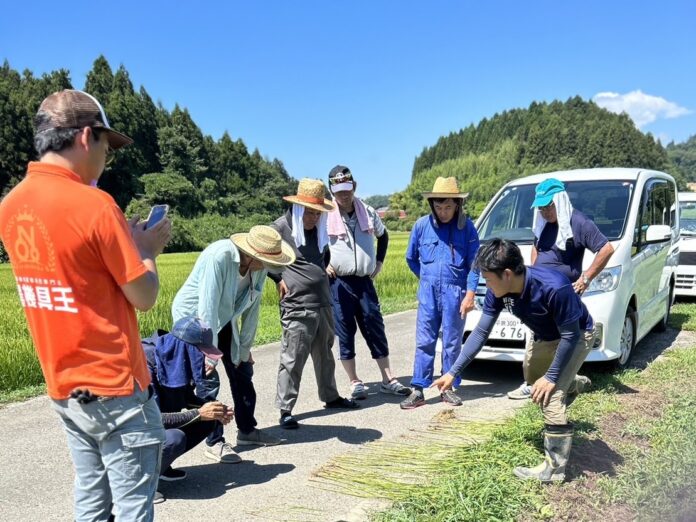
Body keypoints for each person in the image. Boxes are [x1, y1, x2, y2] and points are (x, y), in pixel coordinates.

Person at [0, 89, 171, 521]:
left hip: (65, 386)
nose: (106, 157)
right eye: (106, 146)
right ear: (84, 138)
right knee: (133, 508)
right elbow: (144, 296)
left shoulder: (11, 206)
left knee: (91, 501)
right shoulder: (95, 205)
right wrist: (146, 248)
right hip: (115, 386)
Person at [432, 239, 596, 482]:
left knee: (548, 395)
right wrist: (453, 372)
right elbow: (480, 333)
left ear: (507, 274)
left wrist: (552, 378)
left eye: (487, 278)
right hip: (543, 336)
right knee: (533, 381)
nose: (485, 283)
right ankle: (571, 381)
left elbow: (571, 336)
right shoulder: (498, 291)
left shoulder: (554, 287)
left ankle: (554, 469)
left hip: (576, 336)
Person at [171, 225, 295, 459]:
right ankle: (214, 441)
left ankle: (247, 430)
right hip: (194, 320)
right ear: (252, 253)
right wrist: (210, 353)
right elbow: (207, 305)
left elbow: (252, 309)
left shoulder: (258, 268)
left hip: (223, 317)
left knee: (242, 369)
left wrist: (244, 348)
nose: (271, 267)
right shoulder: (220, 257)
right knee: (208, 378)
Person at [507, 177, 614, 400]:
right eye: (541, 207)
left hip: (562, 297)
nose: (545, 211)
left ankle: (562, 386)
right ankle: (535, 381)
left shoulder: (579, 223)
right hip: (539, 296)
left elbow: (606, 248)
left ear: (560, 201)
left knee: (564, 340)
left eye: (549, 206)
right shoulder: (544, 224)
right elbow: (536, 248)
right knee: (537, 344)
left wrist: (586, 278)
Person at [269, 179, 360, 429]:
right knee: (293, 358)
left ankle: (330, 396)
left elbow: (323, 255)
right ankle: (285, 409)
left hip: (322, 302)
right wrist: (277, 278)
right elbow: (260, 254)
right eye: (309, 212)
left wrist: (324, 269)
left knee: (325, 353)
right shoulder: (280, 228)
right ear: (298, 209)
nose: (313, 218)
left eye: (318, 213)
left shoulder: (316, 230)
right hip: (297, 305)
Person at [326, 165, 411, 400]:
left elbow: (383, 236)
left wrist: (380, 262)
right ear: (332, 190)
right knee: (344, 330)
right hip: (339, 283)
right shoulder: (325, 215)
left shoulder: (368, 211)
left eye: (347, 189)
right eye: (339, 190)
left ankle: (388, 378)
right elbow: (316, 244)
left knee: (374, 325)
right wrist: (325, 265)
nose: (344, 194)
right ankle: (354, 382)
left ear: (354, 186)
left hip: (364, 281)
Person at [401, 177, 480, 409]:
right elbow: (411, 258)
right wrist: (425, 279)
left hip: (455, 291)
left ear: (457, 205)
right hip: (428, 292)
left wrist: (470, 294)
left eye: (448, 207)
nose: (443, 212)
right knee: (424, 340)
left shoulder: (467, 228)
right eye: (439, 207)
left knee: (452, 341)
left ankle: (449, 386)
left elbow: (475, 264)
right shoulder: (421, 226)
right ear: (432, 205)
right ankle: (418, 388)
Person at [142, 317, 234, 503]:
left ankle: (160, 467)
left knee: (210, 420)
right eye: (200, 352)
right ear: (186, 348)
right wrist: (199, 413)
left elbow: (183, 397)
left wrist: (214, 410)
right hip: (127, 434)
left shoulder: (173, 355)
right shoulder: (144, 362)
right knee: (175, 438)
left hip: (150, 425)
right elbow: (150, 420)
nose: (202, 358)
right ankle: (137, 485)